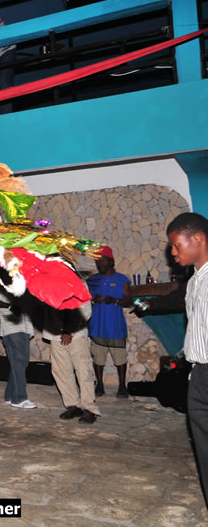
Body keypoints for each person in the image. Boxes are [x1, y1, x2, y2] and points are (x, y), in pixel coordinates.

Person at [165, 212, 208, 507]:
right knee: (204, 450)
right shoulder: (194, 282)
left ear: (198, 239)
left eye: (176, 244)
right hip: (200, 376)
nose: (172, 252)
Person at [43, 299, 100, 424]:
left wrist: (69, 330)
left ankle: (89, 408)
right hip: (55, 334)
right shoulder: (49, 285)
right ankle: (73, 405)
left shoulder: (77, 283)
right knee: (61, 372)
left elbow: (85, 310)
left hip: (76, 335)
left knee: (83, 371)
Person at [86, 246, 131, 398]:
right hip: (97, 325)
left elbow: (129, 301)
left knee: (120, 358)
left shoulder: (121, 280)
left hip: (115, 326)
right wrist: (93, 300)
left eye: (102, 260)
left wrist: (115, 300)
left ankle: (122, 386)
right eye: (97, 261)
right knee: (98, 357)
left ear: (111, 261)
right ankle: (100, 384)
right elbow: (84, 300)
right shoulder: (92, 280)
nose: (99, 264)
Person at [0, 283, 37, 409]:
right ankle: (19, 398)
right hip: (13, 327)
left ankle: (10, 396)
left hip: (25, 326)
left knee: (19, 363)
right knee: (19, 362)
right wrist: (11, 306)